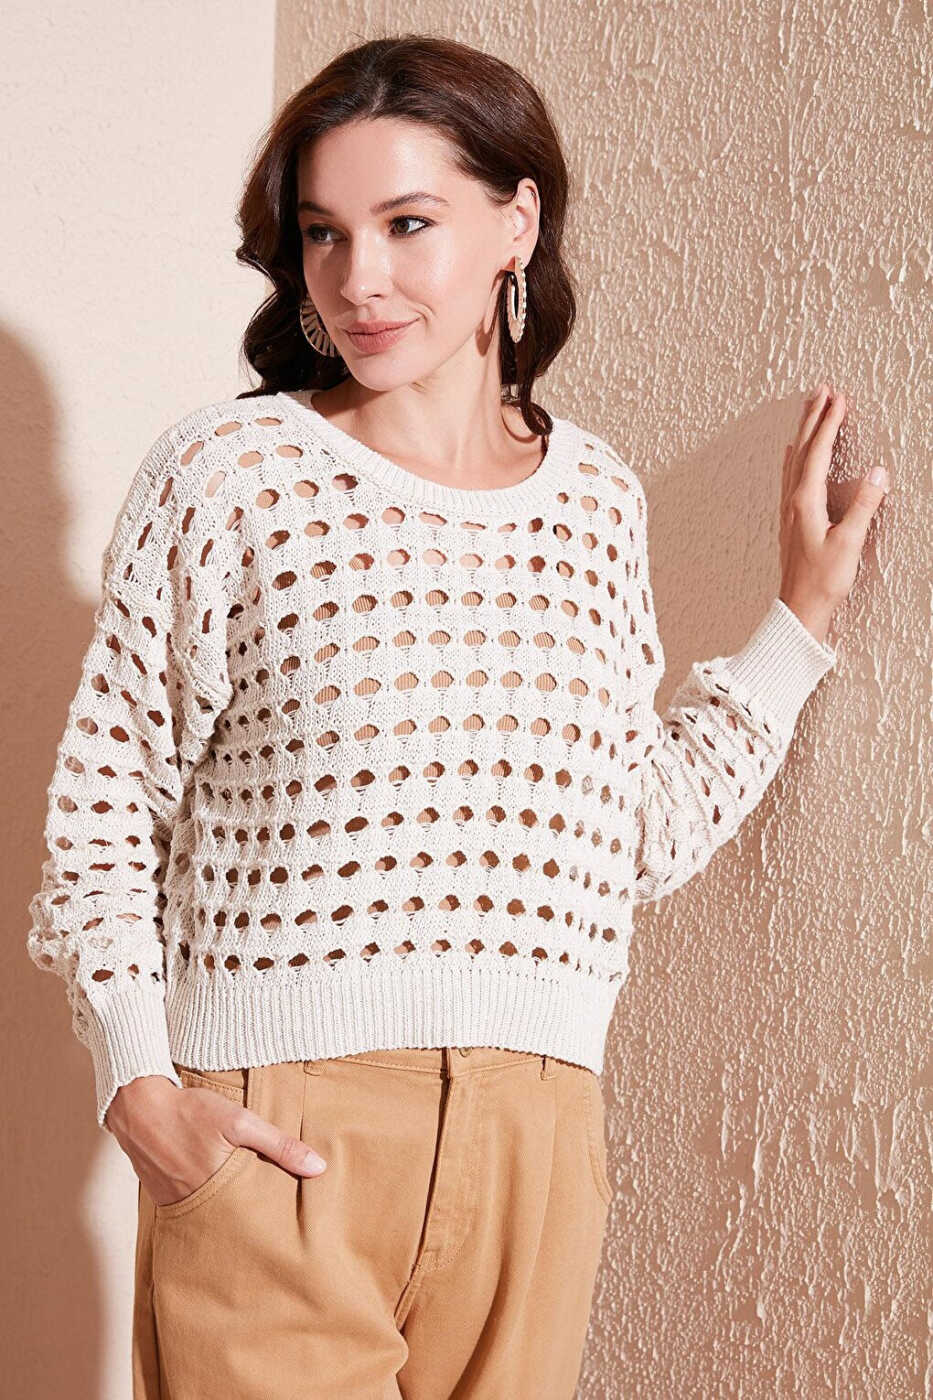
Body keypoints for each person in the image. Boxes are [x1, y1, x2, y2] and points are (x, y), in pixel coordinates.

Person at [24, 32, 889, 1400]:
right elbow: (105, 810)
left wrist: (795, 627)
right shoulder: (228, 475)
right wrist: (140, 1088)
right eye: (323, 233)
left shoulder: (595, 502)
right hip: (275, 1135)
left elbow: (628, 833)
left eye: (406, 224)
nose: (357, 278)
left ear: (516, 223)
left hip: (536, 1140)